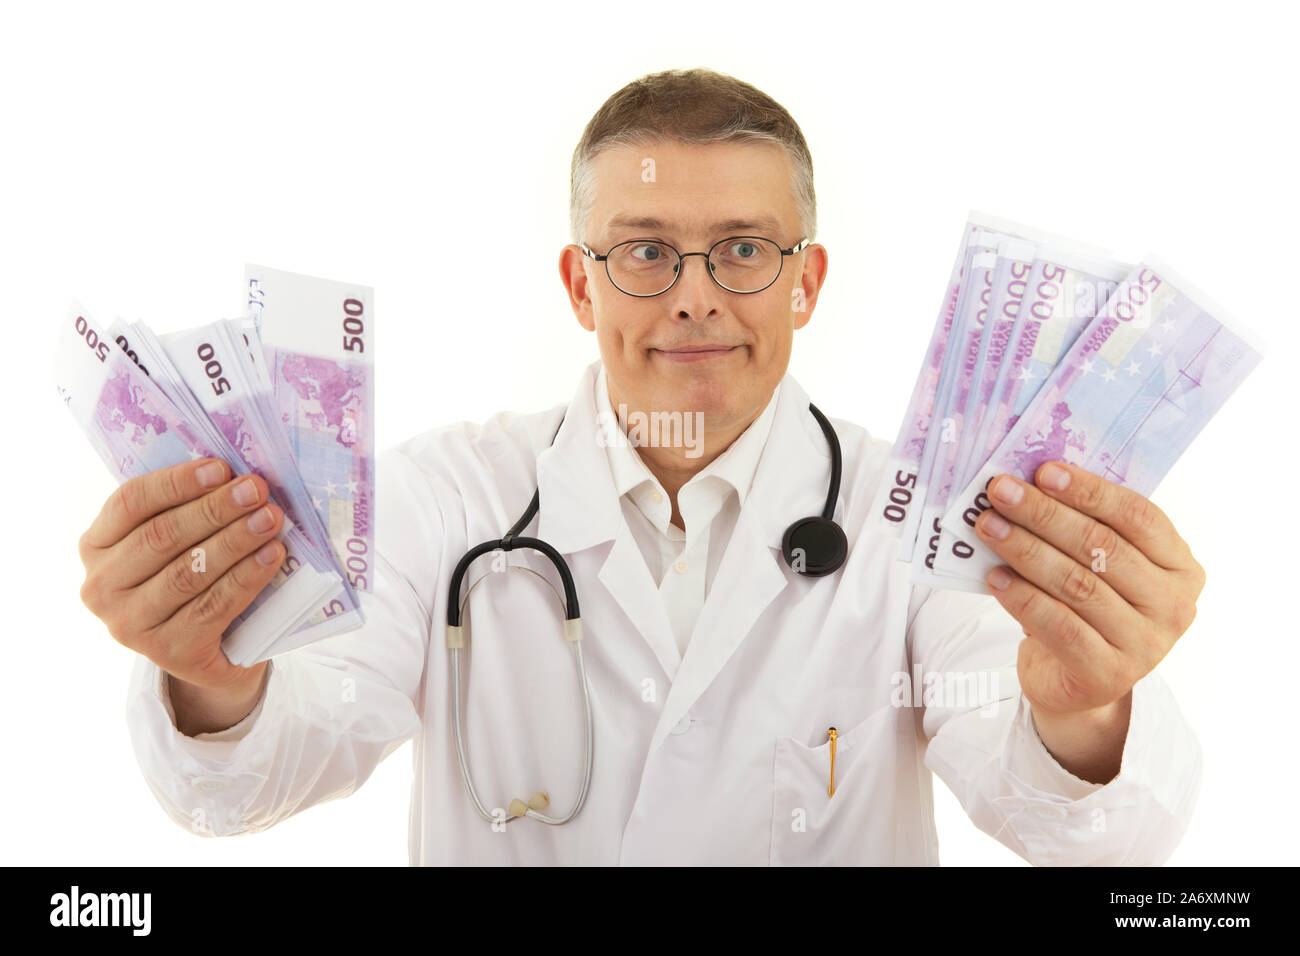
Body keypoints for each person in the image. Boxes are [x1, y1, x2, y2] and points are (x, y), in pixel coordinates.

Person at [76, 67, 1204, 865]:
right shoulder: (439, 499)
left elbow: (1081, 829)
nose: (696, 294)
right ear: (581, 284)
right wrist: (216, 673)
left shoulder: (910, 515)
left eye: (745, 250)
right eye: (647, 250)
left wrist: (1083, 706)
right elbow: (255, 778)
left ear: (805, 283)